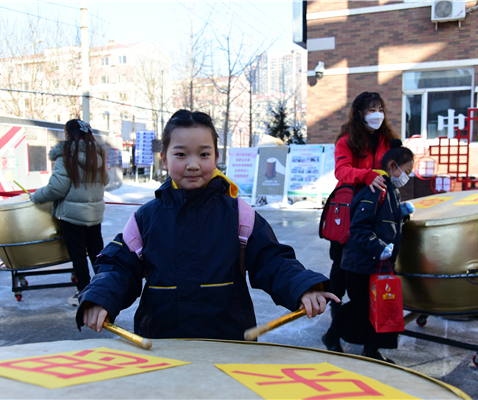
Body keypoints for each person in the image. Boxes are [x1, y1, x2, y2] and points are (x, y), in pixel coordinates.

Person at [77, 109, 339, 340]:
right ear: (165, 159)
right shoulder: (145, 218)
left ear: (216, 159)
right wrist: (100, 298)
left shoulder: (239, 214)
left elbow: (273, 261)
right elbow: (119, 269)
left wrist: (303, 286)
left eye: (204, 154)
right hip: (161, 343)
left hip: (228, 343)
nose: (193, 165)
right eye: (181, 154)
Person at [322, 140, 415, 363]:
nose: (408, 176)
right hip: (361, 264)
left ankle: (371, 350)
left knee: (378, 307)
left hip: (377, 262)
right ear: (393, 166)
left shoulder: (391, 190)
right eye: (407, 171)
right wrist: (379, 248)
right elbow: (359, 228)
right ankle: (332, 336)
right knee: (361, 308)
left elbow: (383, 221)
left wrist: (401, 214)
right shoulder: (375, 189)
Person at [327, 92, 399, 318]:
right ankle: (336, 309)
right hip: (348, 209)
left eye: (380, 109)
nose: (377, 115)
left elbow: (394, 171)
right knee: (340, 263)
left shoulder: (388, 140)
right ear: (359, 113)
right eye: (371, 110)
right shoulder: (347, 140)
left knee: (372, 262)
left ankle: (368, 313)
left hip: (377, 210)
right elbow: (341, 171)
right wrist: (366, 175)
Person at [31, 119, 109, 306]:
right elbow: (104, 180)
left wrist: (36, 196)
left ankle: (84, 291)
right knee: (97, 252)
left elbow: (56, 188)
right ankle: (106, 287)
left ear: (68, 134)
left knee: (78, 254)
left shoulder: (67, 155)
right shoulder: (96, 155)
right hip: (94, 213)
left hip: (73, 215)